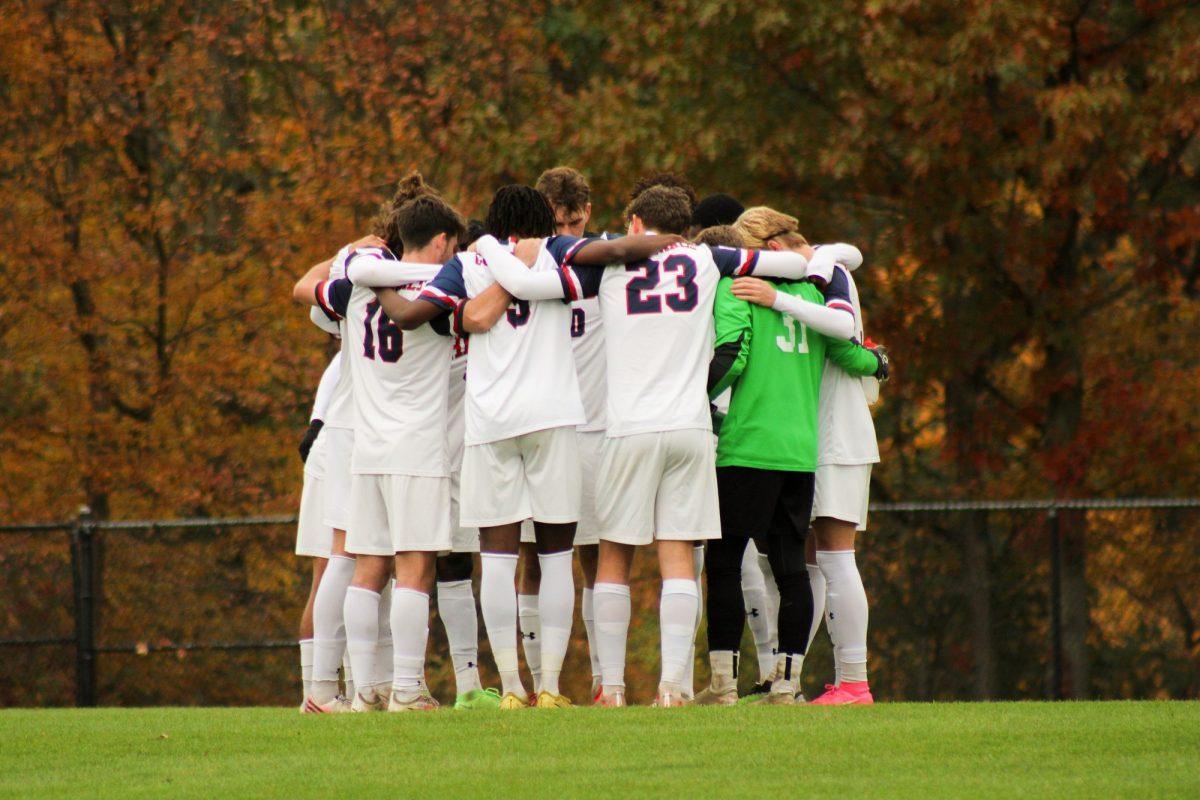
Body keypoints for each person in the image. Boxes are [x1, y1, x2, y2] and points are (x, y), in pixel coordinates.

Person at [478, 186, 824, 706]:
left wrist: (491, 248)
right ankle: (672, 689)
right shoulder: (709, 258)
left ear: (636, 224)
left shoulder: (609, 264)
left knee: (615, 556)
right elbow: (800, 267)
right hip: (689, 426)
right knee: (678, 556)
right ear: (684, 226)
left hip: (630, 427)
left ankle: (612, 690)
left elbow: (534, 285)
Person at [372, 185, 677, 709]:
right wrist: (674, 239)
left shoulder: (468, 263)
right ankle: (552, 687)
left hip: (489, 424)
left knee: (497, 557)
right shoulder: (555, 251)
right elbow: (616, 252)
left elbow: (410, 316)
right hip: (554, 417)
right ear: (541, 223)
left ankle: (511, 688)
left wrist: (373, 283)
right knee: (557, 555)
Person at [696, 206, 886, 705]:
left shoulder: (757, 286)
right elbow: (849, 348)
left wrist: (690, 401)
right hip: (803, 446)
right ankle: (786, 681)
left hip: (772, 440)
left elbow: (737, 355)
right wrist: (878, 361)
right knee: (796, 565)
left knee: (736, 561)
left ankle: (732, 684)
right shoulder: (819, 279)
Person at [295, 349, 341, 705]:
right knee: (347, 573)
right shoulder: (351, 357)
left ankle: (314, 693)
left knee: (329, 576)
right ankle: (327, 692)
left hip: (325, 454)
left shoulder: (339, 362)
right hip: (338, 457)